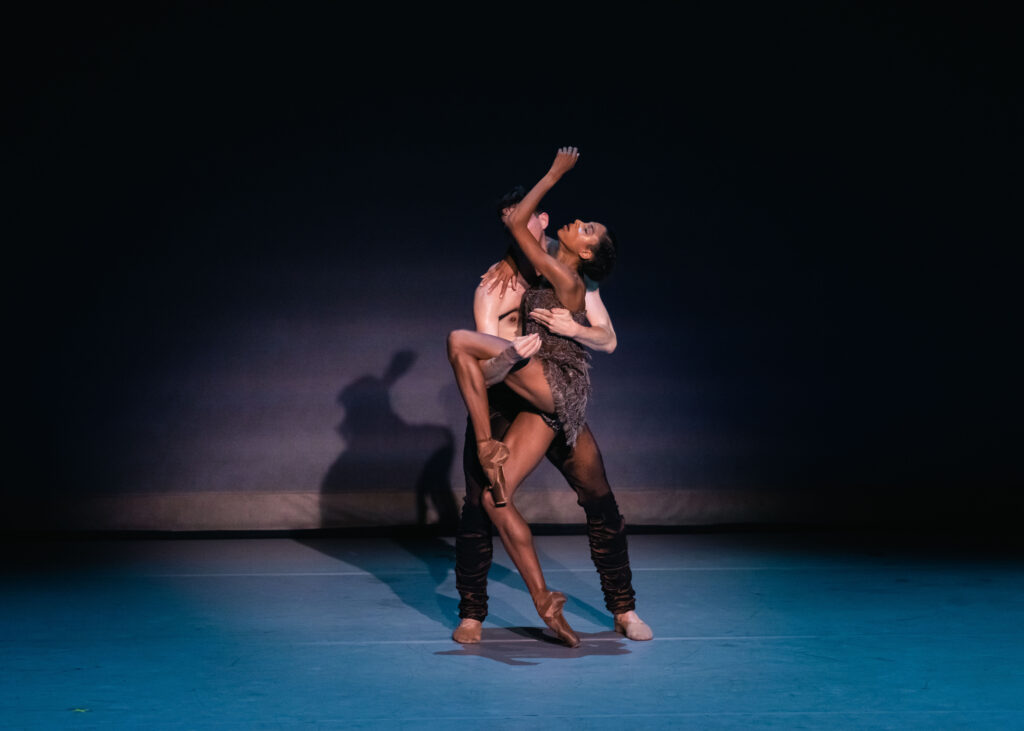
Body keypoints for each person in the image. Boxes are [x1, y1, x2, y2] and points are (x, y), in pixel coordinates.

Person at [446, 147, 652, 646]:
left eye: (547, 216)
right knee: (489, 500)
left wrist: (575, 331)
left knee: (599, 497)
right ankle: (511, 606)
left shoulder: (568, 276)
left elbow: (609, 339)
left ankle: (623, 610)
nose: (555, 219)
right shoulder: (497, 284)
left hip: (559, 391)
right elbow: (487, 371)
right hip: (514, 396)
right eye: (531, 218)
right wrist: (513, 354)